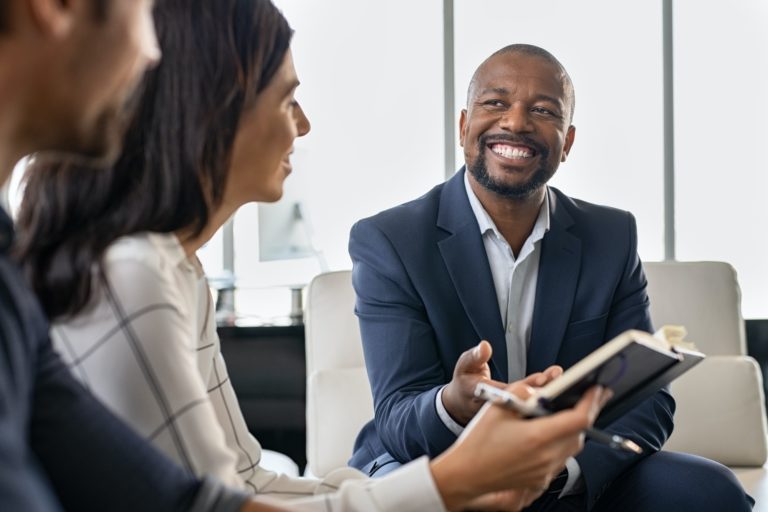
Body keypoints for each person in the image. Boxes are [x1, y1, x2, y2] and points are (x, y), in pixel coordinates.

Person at [13, 2, 611, 511]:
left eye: (544, 109)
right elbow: (224, 502)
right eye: (285, 99)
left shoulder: (178, 271)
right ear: (212, 111)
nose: (303, 125)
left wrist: (429, 488)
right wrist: (451, 483)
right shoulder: (137, 272)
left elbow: (246, 479)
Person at [347, 43, 754, 512]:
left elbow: (648, 400)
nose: (516, 122)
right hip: (436, 460)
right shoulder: (389, 240)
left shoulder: (611, 236)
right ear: (463, 127)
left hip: (570, 471)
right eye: (495, 103)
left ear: (568, 142)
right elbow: (398, 414)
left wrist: (555, 469)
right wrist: (452, 403)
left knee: (713, 491)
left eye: (542, 110)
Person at [0, 0, 294, 510]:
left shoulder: (9, 279)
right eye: (141, 10)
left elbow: (189, 502)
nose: (154, 53)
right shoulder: (134, 269)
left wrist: (445, 486)